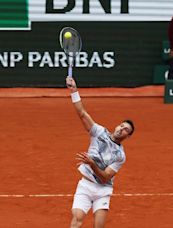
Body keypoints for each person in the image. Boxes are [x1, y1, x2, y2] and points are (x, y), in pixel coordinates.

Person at [66, 77, 135, 228]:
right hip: (85, 185)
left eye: (126, 130)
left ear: (127, 137)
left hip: (103, 190)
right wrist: (74, 91)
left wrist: (92, 164)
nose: (121, 129)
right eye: (121, 126)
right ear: (117, 126)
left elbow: (105, 178)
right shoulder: (99, 132)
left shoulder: (120, 156)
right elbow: (82, 114)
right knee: (76, 220)